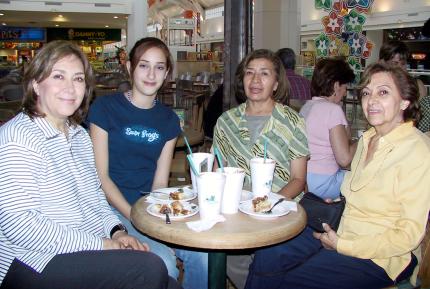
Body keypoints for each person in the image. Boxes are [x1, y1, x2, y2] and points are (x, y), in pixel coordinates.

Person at [0, 40, 180, 289]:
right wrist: (102, 244)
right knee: (149, 268)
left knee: (170, 284)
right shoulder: (19, 137)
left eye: (78, 79)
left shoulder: (79, 136)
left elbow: (95, 198)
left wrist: (118, 232)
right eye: (58, 76)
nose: (70, 88)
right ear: (35, 84)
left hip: (81, 247)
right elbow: (19, 226)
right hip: (32, 261)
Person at [245, 62, 430, 289]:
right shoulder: (366, 139)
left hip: (381, 255)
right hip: (339, 227)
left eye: (383, 92)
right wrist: (336, 206)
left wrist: (344, 245)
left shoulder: (418, 150)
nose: (371, 100)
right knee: (270, 253)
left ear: (405, 101)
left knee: (295, 281)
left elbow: (408, 234)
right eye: (366, 93)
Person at [88, 37, 207, 289]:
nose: (151, 74)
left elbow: (160, 182)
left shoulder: (168, 120)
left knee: (204, 256)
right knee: (163, 263)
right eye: (143, 65)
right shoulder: (104, 108)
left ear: (167, 73)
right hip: (111, 211)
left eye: (159, 67)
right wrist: (136, 217)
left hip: (149, 208)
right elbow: (101, 179)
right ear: (130, 68)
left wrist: (164, 215)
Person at [212, 49, 309, 289]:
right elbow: (216, 172)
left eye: (264, 74)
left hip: (280, 209)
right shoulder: (226, 122)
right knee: (226, 258)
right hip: (236, 211)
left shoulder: (292, 121)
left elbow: (298, 179)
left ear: (276, 83)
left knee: (270, 260)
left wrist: (267, 205)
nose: (255, 80)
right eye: (249, 73)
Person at [299, 57, 357, 199]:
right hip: (324, 183)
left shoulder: (306, 107)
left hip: (303, 179)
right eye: (345, 87)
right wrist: (364, 140)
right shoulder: (332, 111)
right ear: (336, 86)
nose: (345, 93)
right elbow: (344, 160)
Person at [379, 40, 429, 132]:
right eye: (395, 63)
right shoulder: (378, 86)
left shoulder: (417, 85)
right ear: (383, 63)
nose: (400, 68)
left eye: (403, 63)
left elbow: (423, 117)